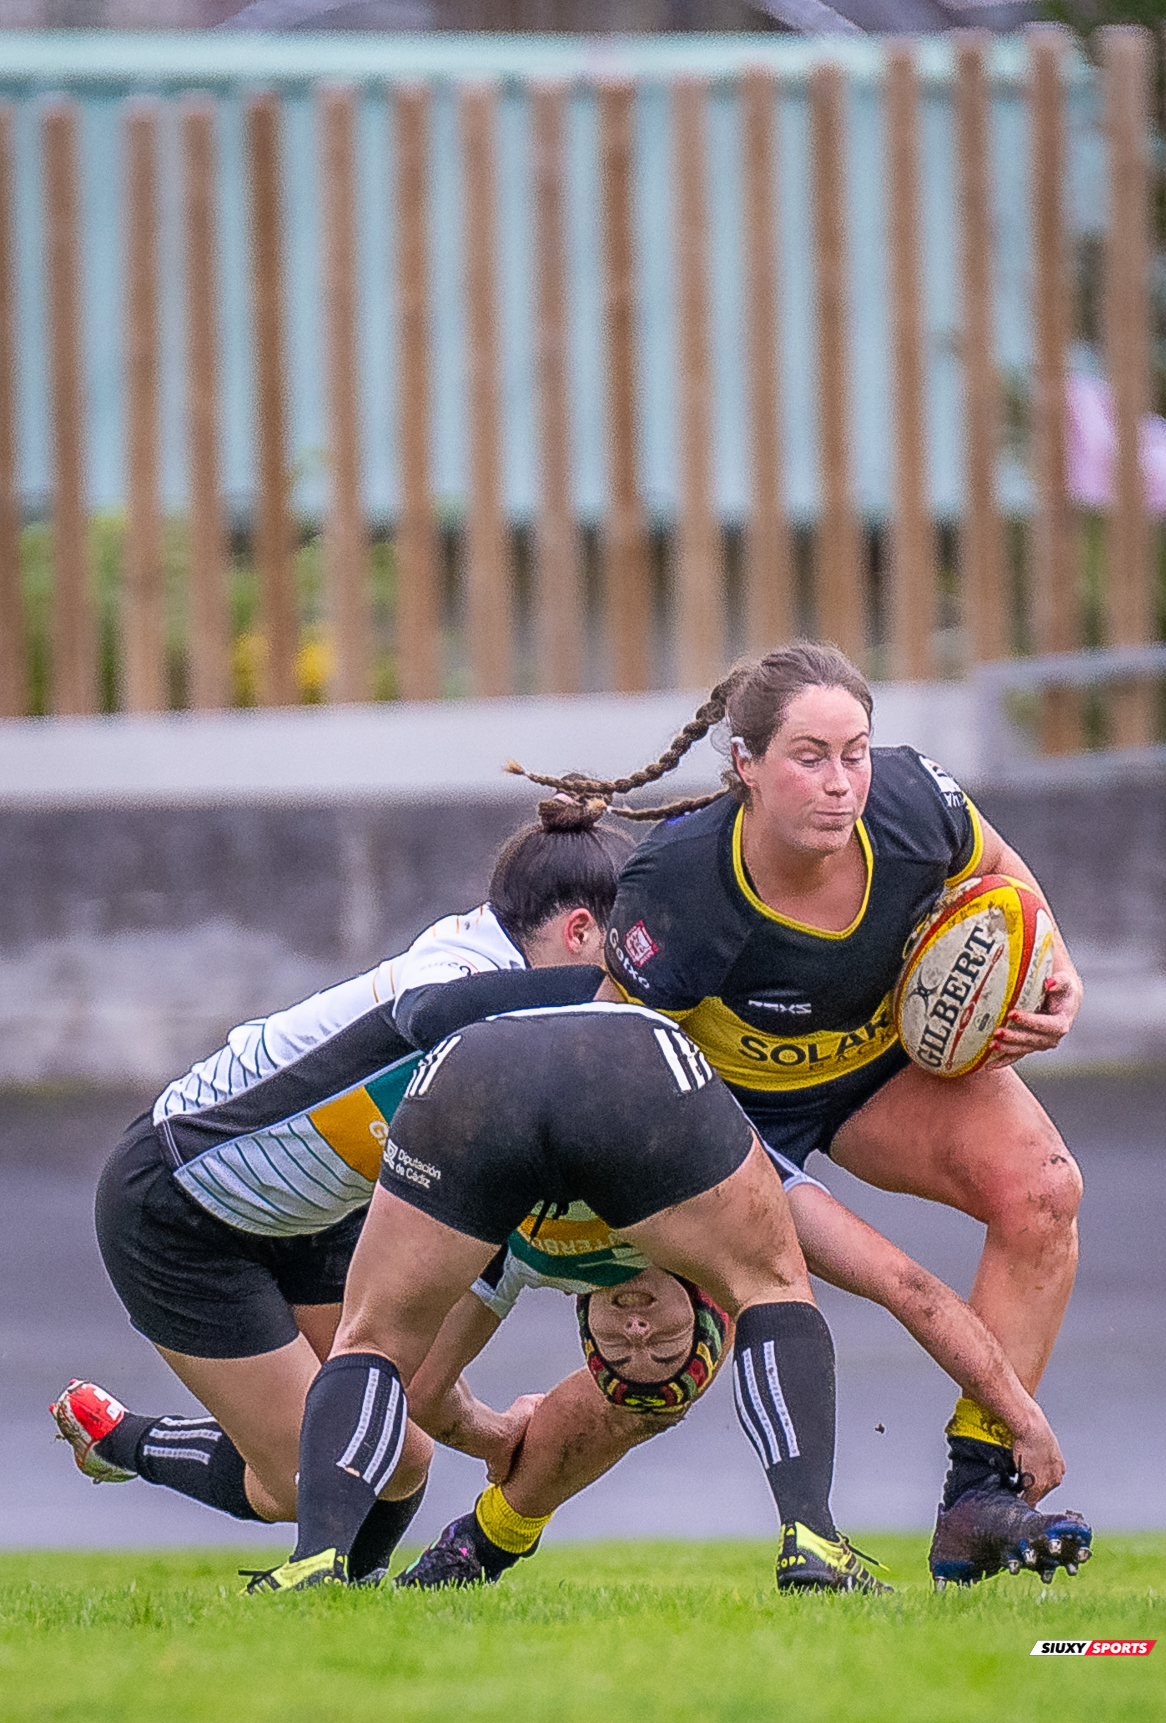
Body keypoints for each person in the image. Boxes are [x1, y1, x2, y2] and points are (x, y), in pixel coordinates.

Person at [507, 641, 1092, 1587]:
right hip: (719, 1112)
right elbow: (614, 1069)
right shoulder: (678, 890)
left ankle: (978, 1499)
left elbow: (1000, 870)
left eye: (855, 752)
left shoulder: (910, 805)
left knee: (1044, 1192)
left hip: (874, 1076)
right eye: (808, 758)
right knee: (658, 1366)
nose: (842, 782)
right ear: (744, 766)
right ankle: (494, 1529)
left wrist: (1055, 966)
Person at [253, 1002, 1068, 1597]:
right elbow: (907, 1286)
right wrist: (1018, 1416)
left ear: (588, 1332)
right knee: (777, 1287)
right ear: (699, 1303)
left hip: (476, 1067)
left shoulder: (517, 1261)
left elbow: (419, 1391)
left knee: (373, 1340)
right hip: (632, 1066)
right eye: (662, 1342)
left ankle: (316, 1561)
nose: (638, 1331)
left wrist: (493, 1433)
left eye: (625, 1349)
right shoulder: (735, 1205)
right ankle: (813, 1540)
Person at [51, 801, 626, 1585]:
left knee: (398, 1461)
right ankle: (121, 1440)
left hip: (305, 1214)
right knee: (302, 1481)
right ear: (584, 934)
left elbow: (424, 1380)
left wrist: (495, 1438)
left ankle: (343, 1606)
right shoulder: (464, 966)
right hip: (177, 1203)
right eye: (620, 957)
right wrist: (594, 991)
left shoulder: (512, 994)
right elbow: (426, 1015)